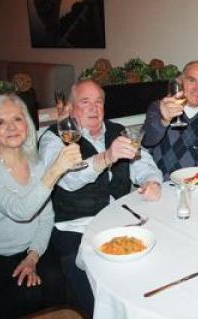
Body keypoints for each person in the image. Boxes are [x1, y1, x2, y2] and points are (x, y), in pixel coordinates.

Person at [38, 79, 163, 316]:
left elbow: (143, 162)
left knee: (152, 258)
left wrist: (151, 181)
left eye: (99, 102)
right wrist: (106, 157)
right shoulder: (53, 138)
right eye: (85, 102)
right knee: (93, 286)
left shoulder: (118, 131)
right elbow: (67, 179)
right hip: (74, 227)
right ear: (72, 108)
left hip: (118, 220)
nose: (94, 108)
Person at [0, 94, 81, 318]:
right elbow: (21, 211)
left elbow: (45, 218)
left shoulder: (36, 164)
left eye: (17, 119)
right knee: (27, 294)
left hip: (31, 246)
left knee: (56, 281)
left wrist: (33, 256)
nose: (11, 127)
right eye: (0, 122)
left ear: (27, 125)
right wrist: (55, 170)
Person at [142, 60, 198, 180]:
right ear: (180, 82)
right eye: (192, 80)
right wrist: (164, 120)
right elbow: (147, 141)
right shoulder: (160, 108)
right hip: (164, 188)